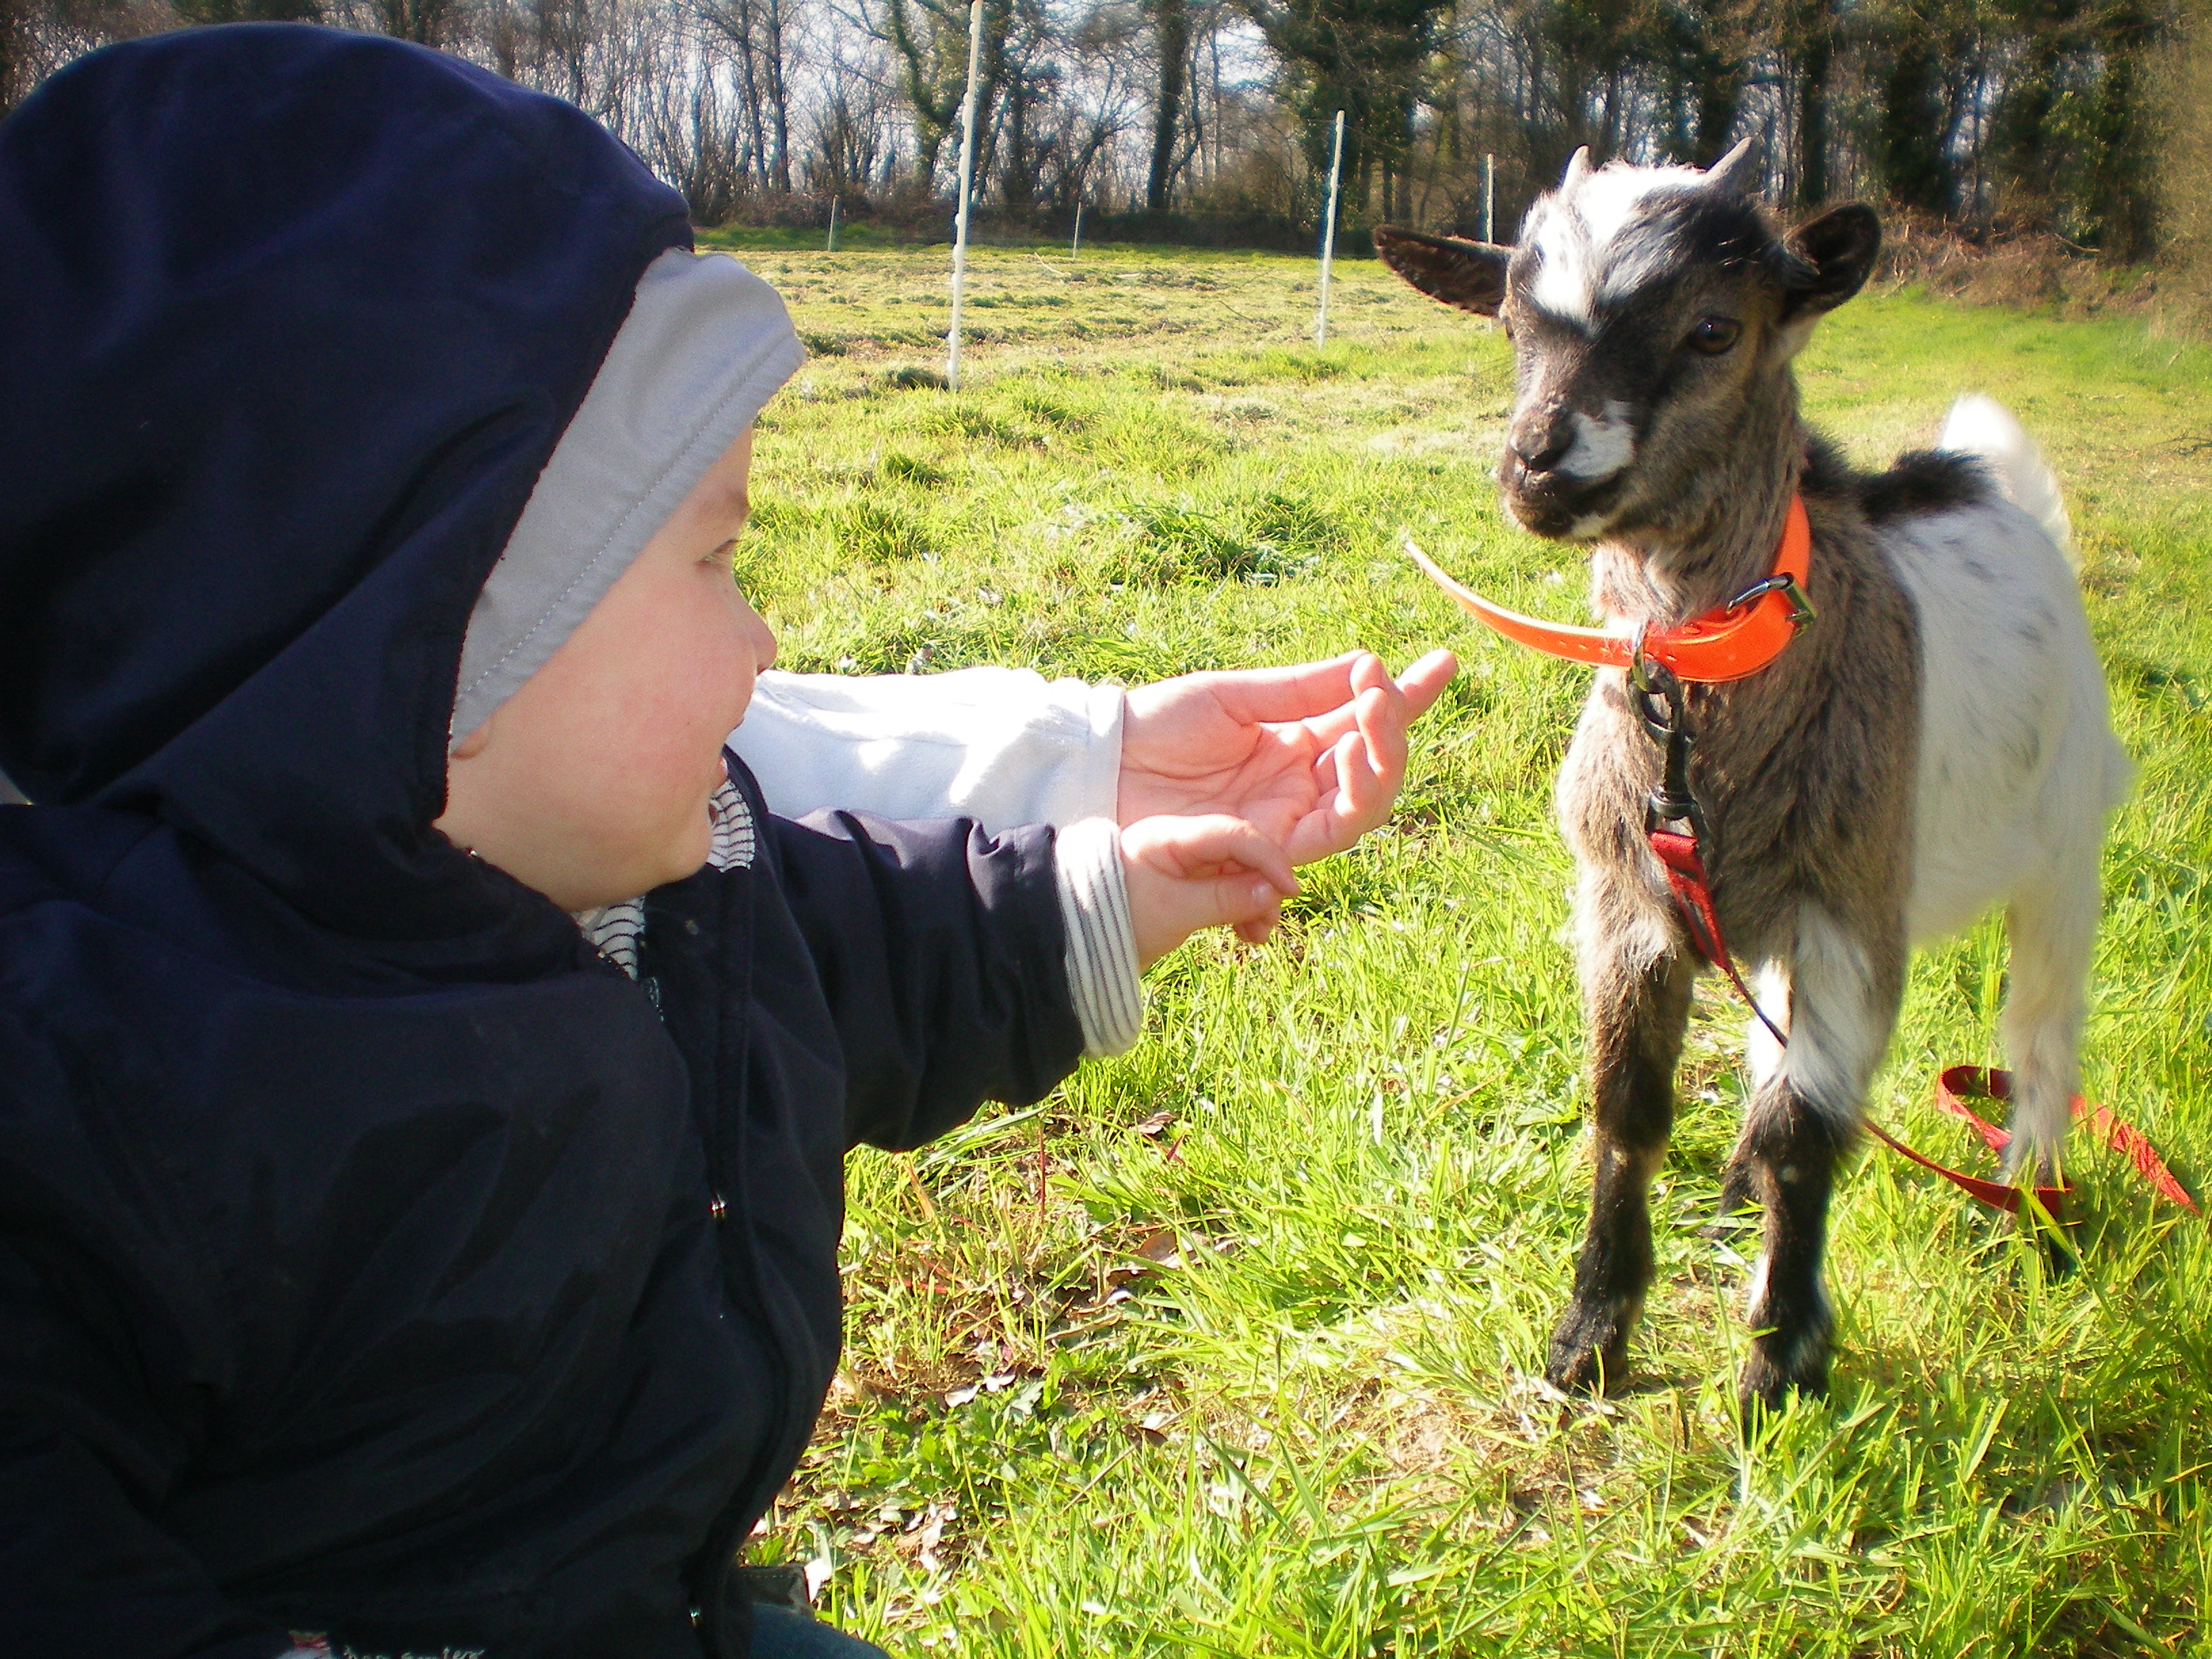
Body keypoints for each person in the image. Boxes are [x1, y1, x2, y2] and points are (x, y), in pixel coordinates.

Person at [0, 26, 1452, 1659]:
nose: (764, 642)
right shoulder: (99, 1094)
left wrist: (1113, 888)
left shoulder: (683, 889)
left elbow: (883, 949)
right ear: (432, 642)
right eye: (711, 563)